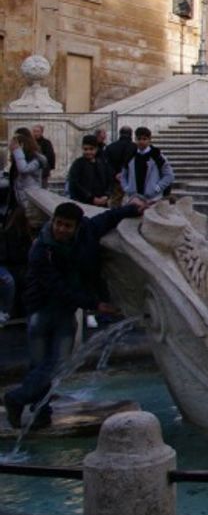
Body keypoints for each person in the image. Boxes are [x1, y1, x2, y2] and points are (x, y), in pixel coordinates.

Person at [4, 199, 146, 430]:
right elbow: (58, 287)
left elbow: (108, 217)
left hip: (63, 307)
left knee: (41, 364)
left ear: (77, 226)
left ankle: (40, 411)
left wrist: (132, 208)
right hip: (42, 308)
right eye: (58, 223)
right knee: (55, 362)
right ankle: (18, 398)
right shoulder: (41, 250)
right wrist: (95, 304)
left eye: (67, 225)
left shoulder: (87, 230)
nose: (61, 229)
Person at [119, 127, 174, 202]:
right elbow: (123, 175)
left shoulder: (156, 155)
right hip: (134, 199)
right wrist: (127, 188)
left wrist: (157, 188)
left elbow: (169, 175)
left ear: (149, 140)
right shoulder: (131, 156)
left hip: (153, 199)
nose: (141, 142)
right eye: (139, 139)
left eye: (144, 139)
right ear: (135, 139)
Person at [0, 207, 33, 325]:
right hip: (9, 265)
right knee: (11, 280)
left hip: (17, 265)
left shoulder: (25, 234)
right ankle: (6, 310)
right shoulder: (10, 234)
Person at [8, 128, 48, 219]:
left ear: (21, 144)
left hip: (29, 200)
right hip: (18, 200)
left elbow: (23, 169)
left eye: (15, 143)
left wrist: (17, 151)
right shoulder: (18, 158)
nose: (11, 145)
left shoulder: (36, 159)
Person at [67, 134, 112, 207]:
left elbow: (109, 181)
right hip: (84, 204)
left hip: (102, 203)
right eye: (85, 149)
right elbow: (74, 184)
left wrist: (106, 195)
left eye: (91, 149)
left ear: (96, 149)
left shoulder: (103, 163)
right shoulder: (78, 164)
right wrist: (91, 198)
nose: (88, 152)